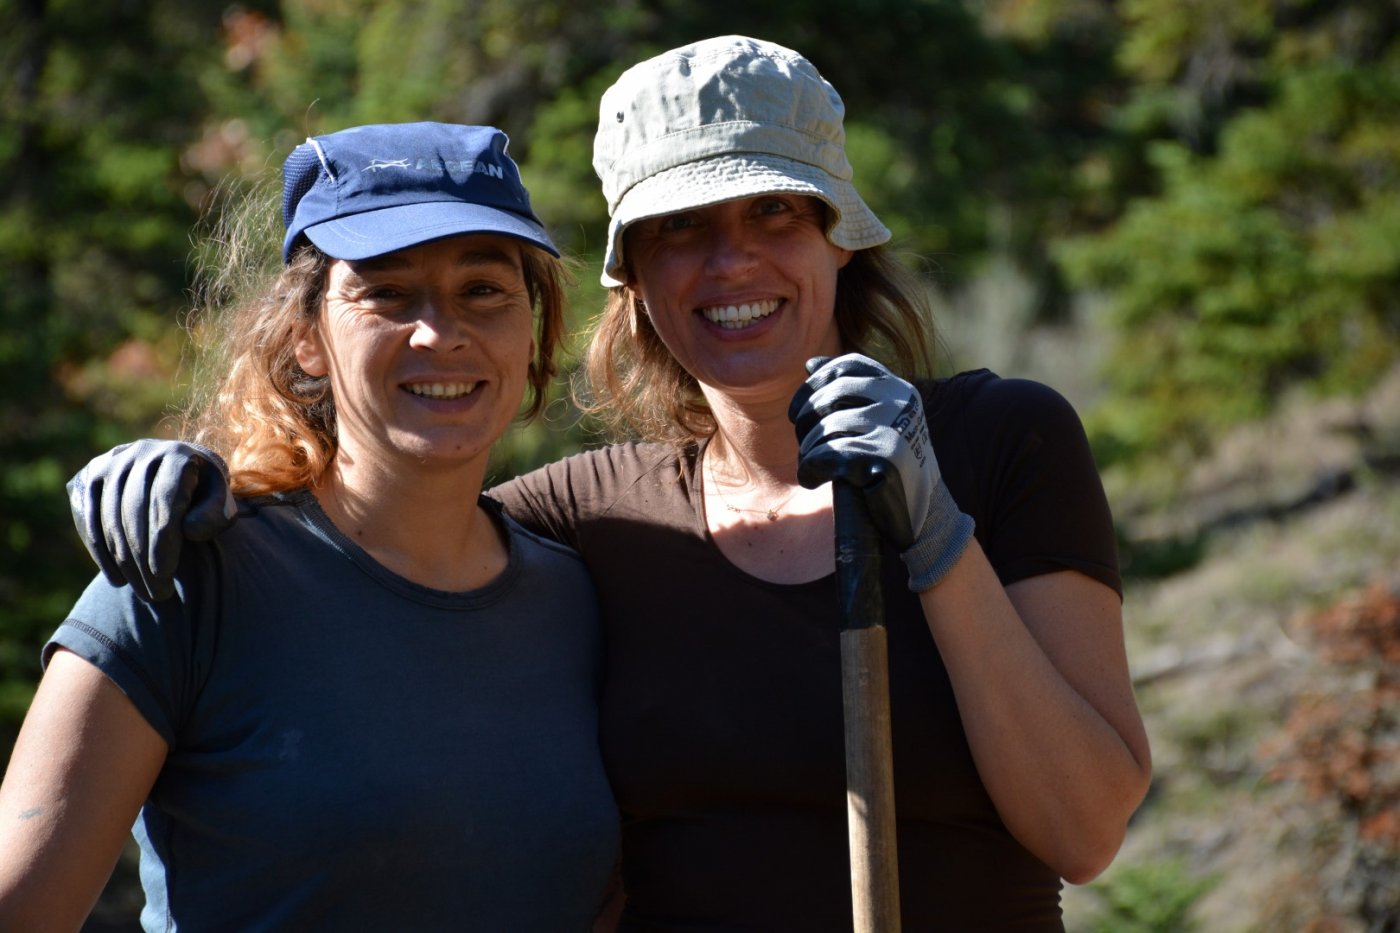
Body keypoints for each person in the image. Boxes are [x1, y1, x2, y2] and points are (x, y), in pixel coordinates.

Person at [56, 37, 1152, 930]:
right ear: (632, 277)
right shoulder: (587, 519)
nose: (728, 264)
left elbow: (1082, 829)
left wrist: (936, 539)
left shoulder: (997, 440)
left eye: (771, 211)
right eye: (680, 231)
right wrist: (205, 472)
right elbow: (384, 544)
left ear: (839, 240)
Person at [0, 121, 620, 931]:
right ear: (306, 337)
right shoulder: (184, 578)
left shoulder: (578, 598)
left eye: (483, 290)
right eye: (386, 293)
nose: (439, 331)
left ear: (531, 327)